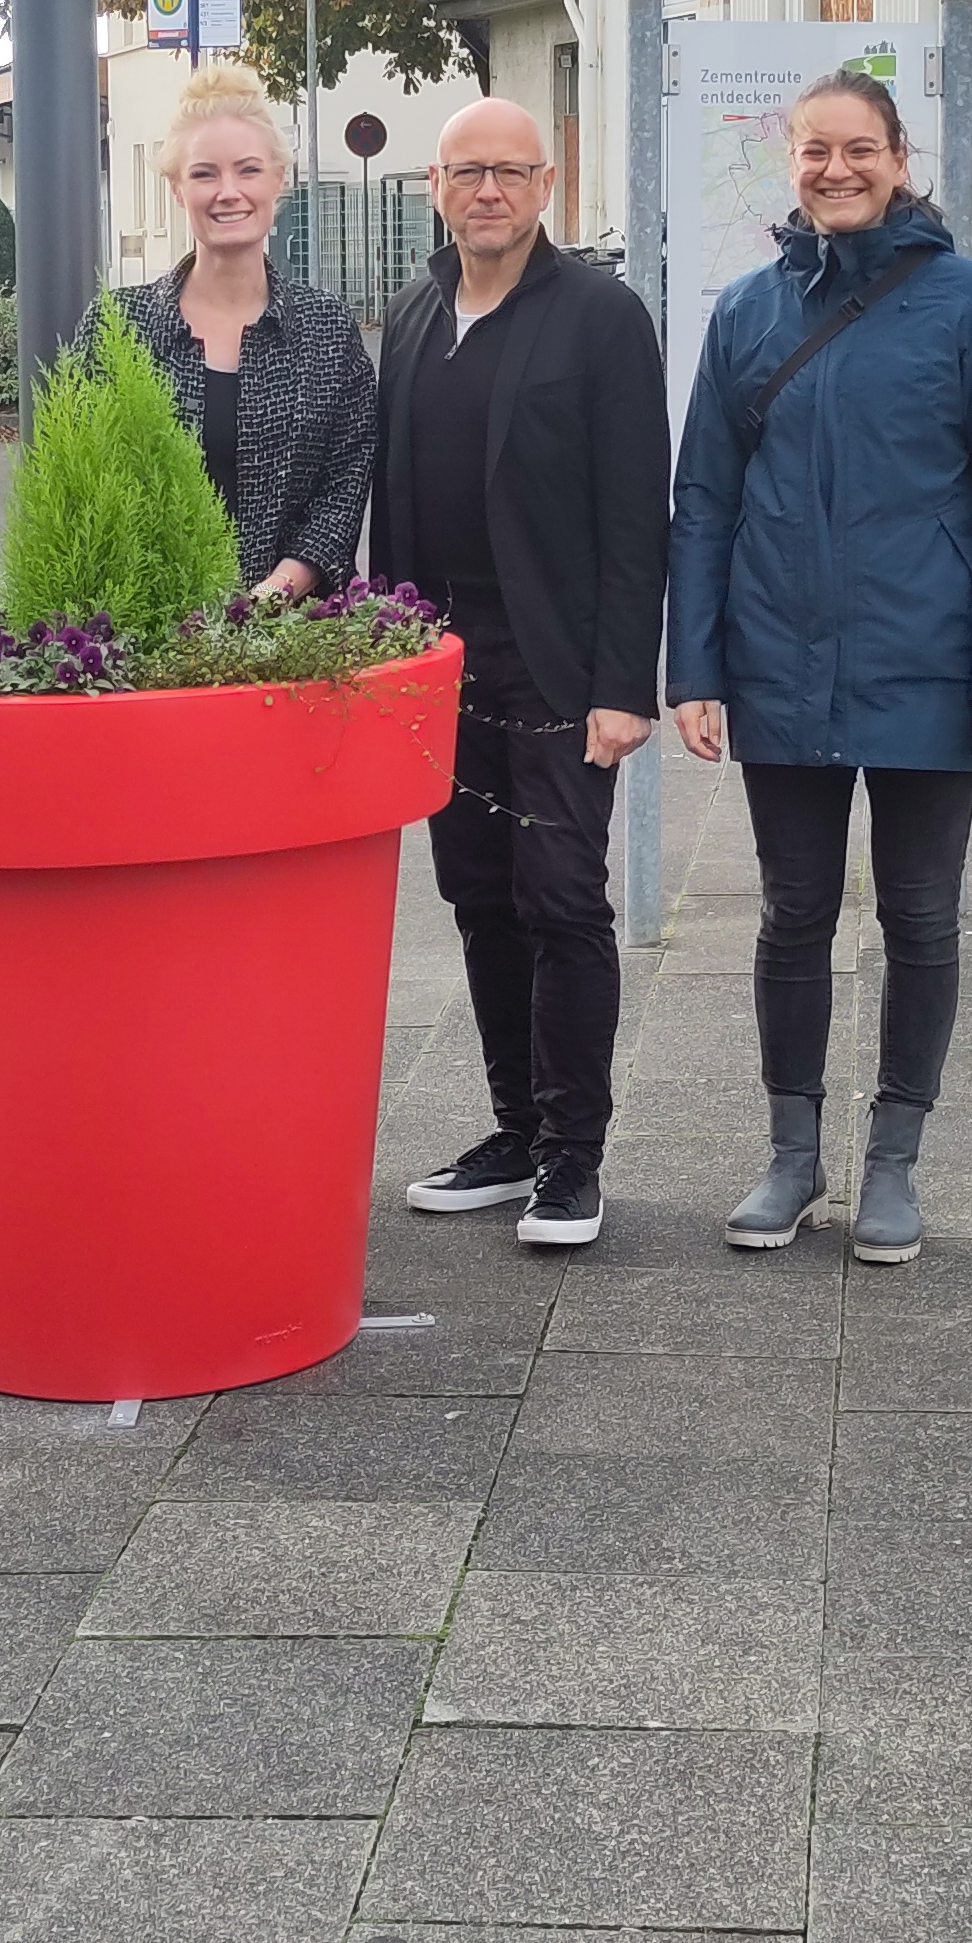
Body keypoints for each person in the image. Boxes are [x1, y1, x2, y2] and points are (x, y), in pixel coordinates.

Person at [667, 71, 972, 1265]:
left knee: (922, 918)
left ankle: (894, 1164)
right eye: (815, 151)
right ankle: (792, 1156)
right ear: (791, 162)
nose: (837, 169)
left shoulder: (969, 305)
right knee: (792, 915)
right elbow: (703, 504)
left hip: (930, 667)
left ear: (899, 156)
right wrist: (696, 668)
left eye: (859, 149)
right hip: (779, 662)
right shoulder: (747, 314)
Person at [370, 98, 669, 1250]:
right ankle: (511, 1133)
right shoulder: (410, 313)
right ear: (435, 186)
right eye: (464, 172)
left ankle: (572, 1157)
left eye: (509, 171)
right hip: (443, 666)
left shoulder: (599, 318)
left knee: (559, 900)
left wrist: (621, 683)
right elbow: (392, 503)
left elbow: (638, 513)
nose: (486, 190)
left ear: (547, 185)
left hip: (556, 662)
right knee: (477, 897)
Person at [115, 69, 377, 594]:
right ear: (177, 188)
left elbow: (345, 483)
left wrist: (278, 590)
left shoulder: (326, 330)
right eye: (205, 174)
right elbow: (91, 486)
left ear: (279, 179)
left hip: (295, 637)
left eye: (248, 170)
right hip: (146, 638)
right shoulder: (122, 327)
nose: (228, 192)